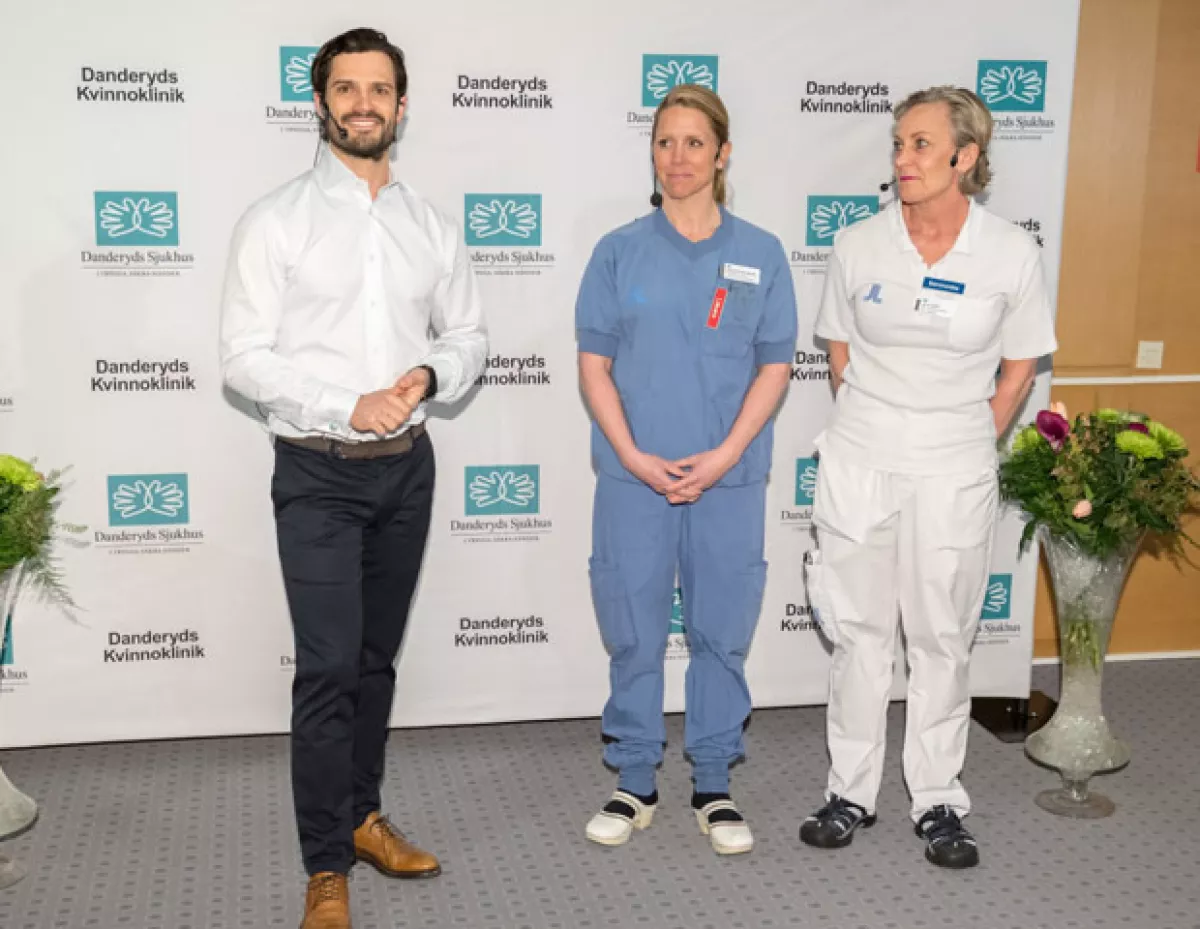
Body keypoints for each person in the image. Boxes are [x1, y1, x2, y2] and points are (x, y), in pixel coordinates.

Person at [219, 27, 487, 929]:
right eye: (346, 88)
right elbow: (242, 360)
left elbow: (469, 336)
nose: (363, 103)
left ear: (402, 105)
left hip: (408, 471)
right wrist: (347, 403)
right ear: (321, 103)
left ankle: (364, 815)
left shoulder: (429, 224)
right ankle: (325, 864)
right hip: (317, 474)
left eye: (379, 89)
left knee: (375, 660)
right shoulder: (276, 220)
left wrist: (429, 379)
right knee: (330, 668)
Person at [800, 85, 1056, 869]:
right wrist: (871, 423)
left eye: (919, 144)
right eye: (898, 144)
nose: (902, 159)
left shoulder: (1011, 251)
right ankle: (850, 790)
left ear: (965, 158)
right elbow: (837, 347)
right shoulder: (859, 242)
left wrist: (976, 430)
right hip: (860, 459)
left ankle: (939, 799)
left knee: (942, 635)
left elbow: (1021, 362)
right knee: (859, 633)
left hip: (954, 465)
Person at [575, 85, 797, 856]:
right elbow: (594, 365)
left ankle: (713, 781)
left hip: (727, 481)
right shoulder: (618, 250)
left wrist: (727, 453)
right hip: (634, 478)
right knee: (633, 631)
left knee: (719, 632)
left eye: (694, 143)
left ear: (723, 153)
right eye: (665, 142)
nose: (678, 158)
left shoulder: (762, 253)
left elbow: (774, 367)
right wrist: (634, 454)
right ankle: (633, 777)